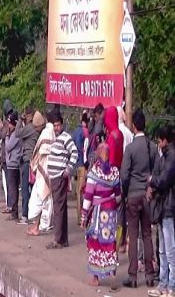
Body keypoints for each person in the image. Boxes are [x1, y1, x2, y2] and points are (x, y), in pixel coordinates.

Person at [120, 109, 157, 288]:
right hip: (147, 196)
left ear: (133, 126)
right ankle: (150, 275)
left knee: (133, 236)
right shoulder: (152, 147)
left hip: (133, 195)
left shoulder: (130, 148)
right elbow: (156, 172)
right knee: (147, 234)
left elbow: (124, 175)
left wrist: (125, 193)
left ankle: (133, 276)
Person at [81, 143, 122, 288]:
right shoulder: (115, 171)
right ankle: (112, 274)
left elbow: (88, 196)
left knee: (95, 243)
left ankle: (96, 278)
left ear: (98, 154)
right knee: (110, 243)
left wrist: (83, 216)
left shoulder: (94, 172)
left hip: (97, 214)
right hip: (110, 214)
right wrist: (113, 206)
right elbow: (118, 196)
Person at [147, 125, 175, 297]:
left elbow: (163, 180)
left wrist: (152, 180)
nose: (158, 142)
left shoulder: (171, 156)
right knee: (163, 250)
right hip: (164, 207)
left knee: (170, 249)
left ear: (165, 140)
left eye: (160, 139)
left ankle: (171, 285)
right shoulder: (165, 155)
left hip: (169, 207)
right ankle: (164, 284)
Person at [46, 114, 78, 249]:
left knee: (58, 209)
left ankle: (58, 239)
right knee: (61, 208)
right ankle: (63, 239)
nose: (56, 127)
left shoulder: (66, 138)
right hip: (54, 177)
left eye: (58, 125)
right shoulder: (56, 138)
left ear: (62, 125)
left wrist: (68, 169)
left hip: (60, 177)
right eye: (55, 125)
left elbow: (75, 153)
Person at [27, 112, 55, 236]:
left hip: (45, 170)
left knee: (40, 200)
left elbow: (42, 152)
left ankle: (39, 227)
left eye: (36, 127)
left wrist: (35, 164)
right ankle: (37, 226)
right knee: (40, 200)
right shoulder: (48, 132)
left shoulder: (46, 133)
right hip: (45, 171)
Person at [14, 107, 44, 224]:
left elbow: (17, 133)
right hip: (35, 161)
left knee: (25, 189)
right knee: (34, 189)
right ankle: (34, 215)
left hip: (28, 161)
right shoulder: (39, 129)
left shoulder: (31, 128)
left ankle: (25, 215)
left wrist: (20, 121)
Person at [4, 112, 21, 221]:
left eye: (10, 124)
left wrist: (6, 136)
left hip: (13, 164)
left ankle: (14, 213)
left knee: (13, 189)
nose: (8, 126)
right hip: (12, 163)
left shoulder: (15, 135)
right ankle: (14, 211)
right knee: (13, 189)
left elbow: (8, 146)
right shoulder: (15, 133)